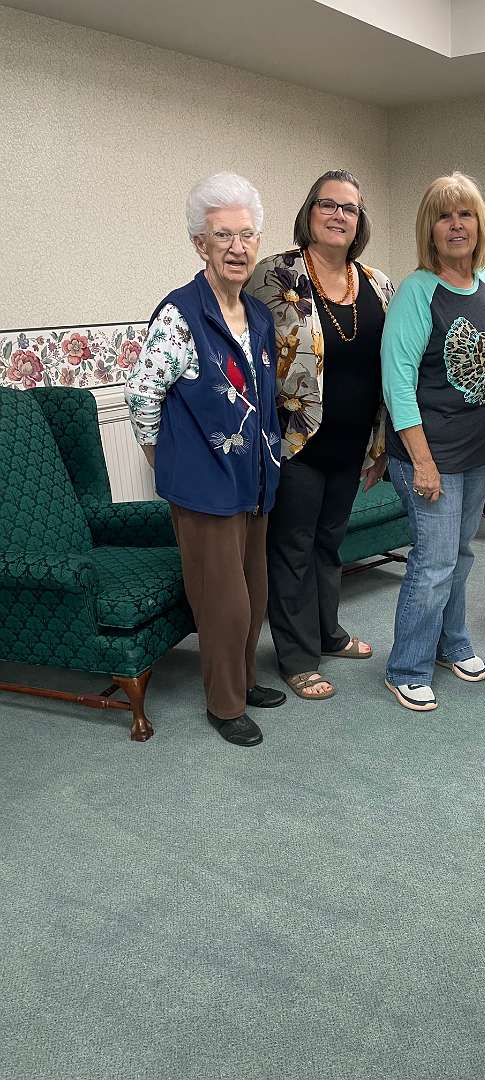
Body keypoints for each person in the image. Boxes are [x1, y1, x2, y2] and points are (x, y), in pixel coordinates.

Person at [125, 172, 284, 747]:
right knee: (224, 604)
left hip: (255, 479)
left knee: (254, 592)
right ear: (200, 244)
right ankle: (225, 704)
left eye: (246, 235)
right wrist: (161, 455)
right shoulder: (180, 314)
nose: (237, 248)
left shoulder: (258, 316)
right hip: (204, 487)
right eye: (223, 236)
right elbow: (142, 393)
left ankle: (243, 680)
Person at [246, 170, 394, 700]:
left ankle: (328, 632)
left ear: (360, 222)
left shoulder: (378, 284)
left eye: (349, 208)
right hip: (296, 443)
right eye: (327, 205)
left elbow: (390, 367)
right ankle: (297, 657)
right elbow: (244, 349)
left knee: (330, 543)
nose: (338, 215)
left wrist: (380, 445)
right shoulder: (274, 275)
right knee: (293, 548)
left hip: (352, 444)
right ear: (309, 212)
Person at [382, 172, 485, 712]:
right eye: (444, 215)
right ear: (429, 229)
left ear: (480, 224)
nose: (456, 225)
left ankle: (451, 642)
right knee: (433, 562)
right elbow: (397, 383)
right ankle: (406, 667)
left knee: (459, 555)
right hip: (427, 451)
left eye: (465, 214)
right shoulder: (417, 291)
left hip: (476, 448)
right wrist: (422, 462)